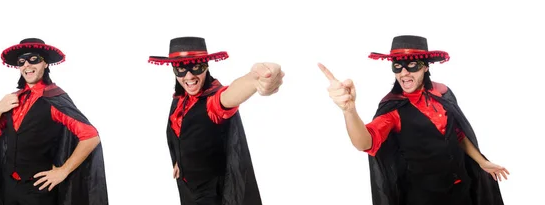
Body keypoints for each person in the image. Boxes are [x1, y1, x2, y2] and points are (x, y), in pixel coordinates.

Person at [318, 35, 508, 205]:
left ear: (425, 67)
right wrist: (349, 111)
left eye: (412, 65)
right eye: (397, 66)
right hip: (424, 197)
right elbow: (365, 142)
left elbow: (457, 134)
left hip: (461, 190)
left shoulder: (441, 92)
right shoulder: (393, 108)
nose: (404, 73)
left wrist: (481, 162)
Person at [148, 36, 284, 205]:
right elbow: (178, 133)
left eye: (197, 67)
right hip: (187, 187)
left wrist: (254, 79)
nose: (189, 76)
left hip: (212, 194)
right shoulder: (179, 99)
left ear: (206, 67)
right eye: (181, 69)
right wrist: (179, 160)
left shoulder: (212, 102)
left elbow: (229, 96)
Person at [0, 38, 109, 205]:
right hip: (8, 187)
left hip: (39, 191)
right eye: (21, 62)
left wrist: (63, 172)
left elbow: (91, 136)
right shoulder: (13, 99)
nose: (27, 66)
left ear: (45, 64)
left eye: (33, 59)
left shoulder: (54, 99)